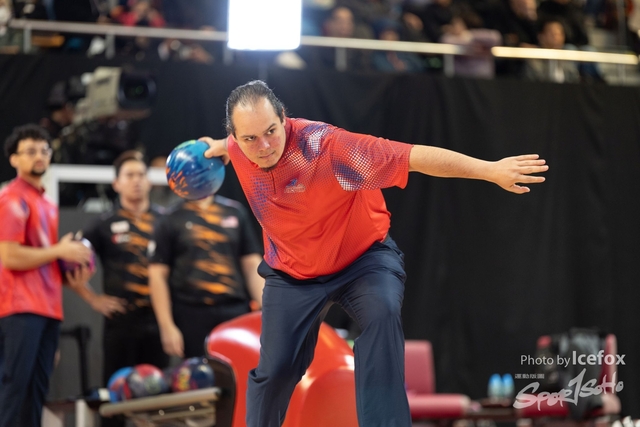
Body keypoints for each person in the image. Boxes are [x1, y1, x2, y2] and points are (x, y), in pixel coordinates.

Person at [198, 80, 549, 427]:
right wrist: (215, 147)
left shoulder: (328, 147)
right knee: (275, 370)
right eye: (250, 139)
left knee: (382, 315)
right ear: (236, 136)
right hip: (292, 273)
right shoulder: (239, 147)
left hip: (362, 261)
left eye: (271, 131)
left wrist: (489, 169)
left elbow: (413, 157)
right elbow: (229, 145)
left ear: (284, 118)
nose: (264, 146)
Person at [0, 124, 93, 427]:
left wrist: (71, 268)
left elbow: (43, 259)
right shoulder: (12, 199)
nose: (39, 156)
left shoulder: (46, 204)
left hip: (47, 309)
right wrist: (59, 251)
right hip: (20, 308)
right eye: (30, 151)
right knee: (13, 390)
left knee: (36, 393)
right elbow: (10, 256)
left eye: (44, 150)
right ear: (14, 159)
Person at [75, 150, 169, 427]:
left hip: (159, 322)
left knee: (160, 400)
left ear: (149, 181)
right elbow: (69, 263)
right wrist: (93, 299)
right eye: (129, 175)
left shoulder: (166, 221)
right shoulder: (102, 223)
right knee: (115, 402)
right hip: (120, 323)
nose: (136, 181)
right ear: (116, 183)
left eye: (141, 174)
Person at [148, 193, 264, 358]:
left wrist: (266, 309)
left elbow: (252, 265)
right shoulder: (170, 218)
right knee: (198, 370)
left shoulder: (235, 211)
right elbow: (157, 275)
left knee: (240, 367)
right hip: (191, 313)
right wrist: (166, 326)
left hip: (234, 309)